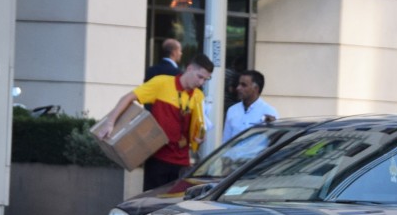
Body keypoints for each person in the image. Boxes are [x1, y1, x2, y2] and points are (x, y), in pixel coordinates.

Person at [102, 54, 214, 191]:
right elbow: (128, 97)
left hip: (182, 162)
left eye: (205, 80)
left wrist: (201, 137)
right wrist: (110, 122)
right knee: (151, 205)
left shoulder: (198, 96)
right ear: (189, 69)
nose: (201, 83)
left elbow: (199, 125)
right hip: (157, 158)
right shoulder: (162, 83)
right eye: (200, 77)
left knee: (175, 207)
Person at [223, 69, 278, 144]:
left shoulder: (269, 112)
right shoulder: (232, 110)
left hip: (258, 155)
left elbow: (274, 142)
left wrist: (271, 125)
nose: (238, 88)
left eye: (243, 85)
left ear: (256, 89)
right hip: (232, 155)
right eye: (239, 84)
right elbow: (226, 142)